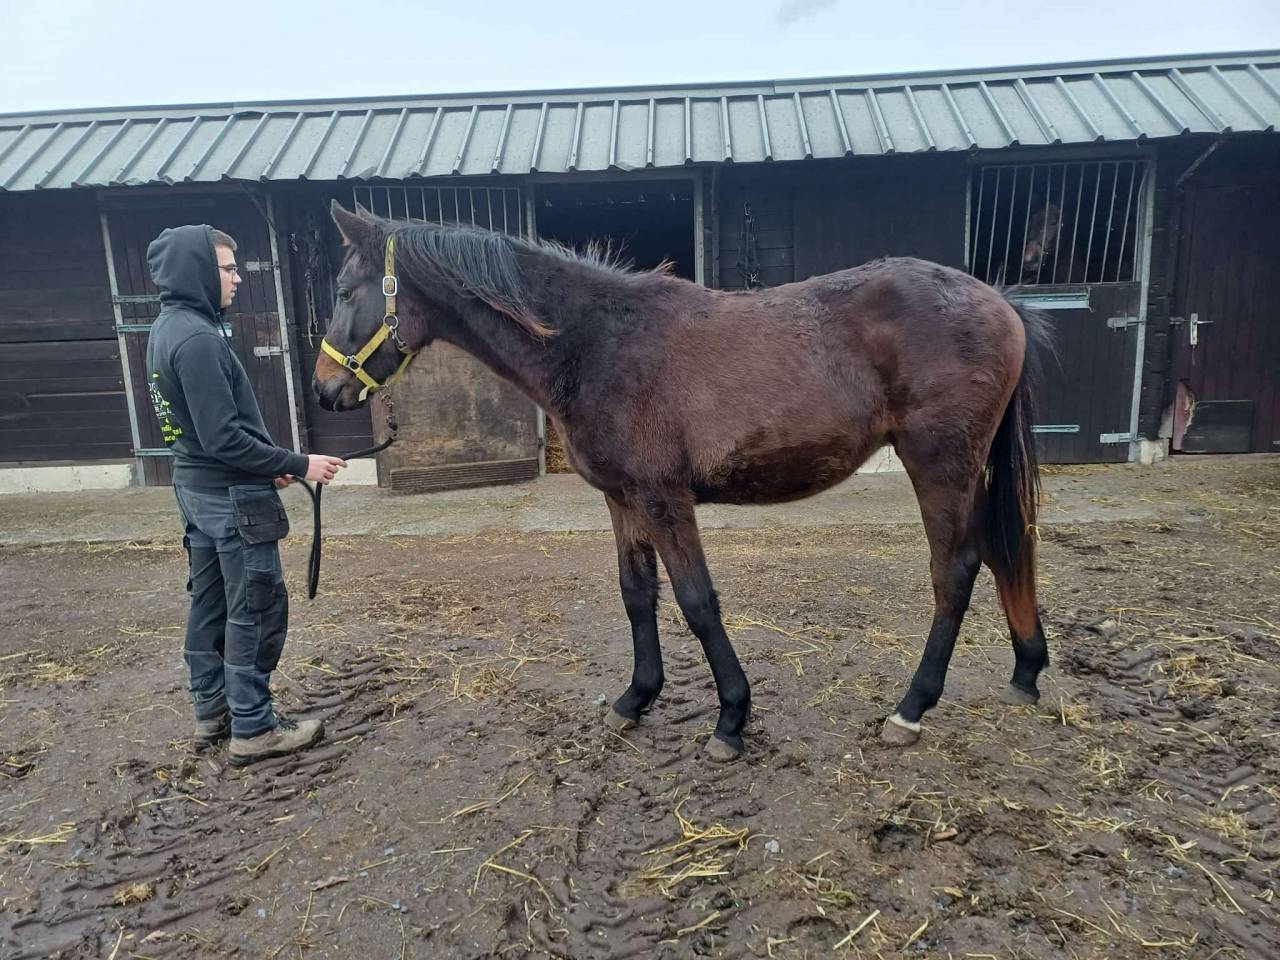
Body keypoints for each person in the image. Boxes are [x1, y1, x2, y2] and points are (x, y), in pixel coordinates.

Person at [145, 224, 346, 766]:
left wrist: (268, 470)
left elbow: (207, 435)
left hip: (198, 491)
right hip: (231, 501)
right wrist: (297, 462)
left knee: (209, 603)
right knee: (254, 608)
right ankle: (254, 726)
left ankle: (212, 710)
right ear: (198, 272)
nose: (237, 277)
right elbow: (223, 437)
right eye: (228, 268)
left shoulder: (169, 329)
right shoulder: (201, 340)